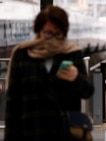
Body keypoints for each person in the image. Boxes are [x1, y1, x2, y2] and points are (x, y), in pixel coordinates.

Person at [4, 5, 94, 141]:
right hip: (31, 132)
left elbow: (87, 91)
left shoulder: (72, 54)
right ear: (39, 31)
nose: (53, 38)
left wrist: (76, 78)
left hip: (64, 132)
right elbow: (13, 104)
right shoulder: (22, 55)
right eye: (48, 33)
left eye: (58, 34)